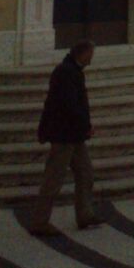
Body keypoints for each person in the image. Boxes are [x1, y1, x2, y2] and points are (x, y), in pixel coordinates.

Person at [30, 39, 103, 235]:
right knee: (53, 179)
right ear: (83, 54)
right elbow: (69, 105)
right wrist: (85, 125)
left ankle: (84, 214)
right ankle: (39, 221)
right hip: (64, 134)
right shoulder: (66, 72)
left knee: (86, 174)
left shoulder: (73, 71)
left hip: (74, 134)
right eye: (90, 55)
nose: (92, 59)